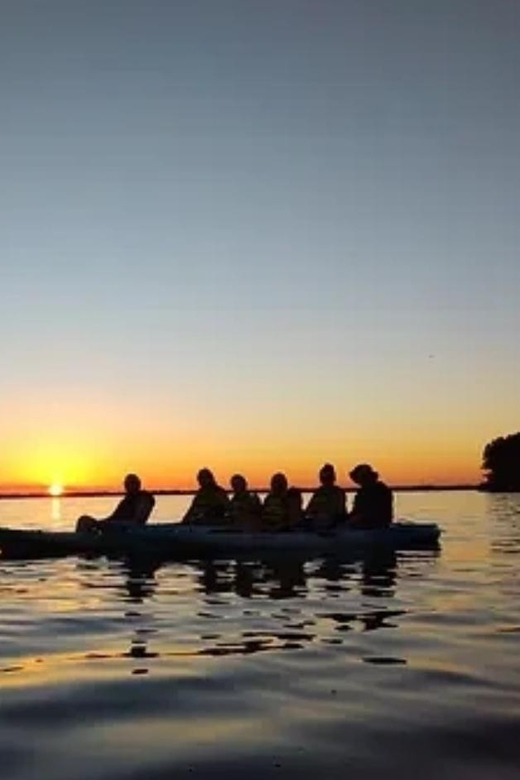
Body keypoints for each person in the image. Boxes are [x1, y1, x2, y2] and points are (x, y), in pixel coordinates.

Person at [76, 474, 155, 533]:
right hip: (117, 527)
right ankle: (83, 539)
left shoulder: (144, 498)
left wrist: (104, 524)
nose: (127, 486)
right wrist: (100, 523)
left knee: (86, 521)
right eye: (126, 484)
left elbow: (138, 521)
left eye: (131, 483)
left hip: (128, 529)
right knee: (84, 520)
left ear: (138, 484)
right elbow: (114, 517)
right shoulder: (126, 501)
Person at [348, 464, 393, 529]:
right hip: (378, 524)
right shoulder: (381, 489)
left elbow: (367, 512)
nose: (358, 482)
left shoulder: (377, 491)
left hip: (372, 525)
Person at [305, 463, 347, 528]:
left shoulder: (338, 492)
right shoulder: (318, 492)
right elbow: (309, 510)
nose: (326, 480)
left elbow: (340, 511)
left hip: (334, 524)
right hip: (317, 523)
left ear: (333, 478)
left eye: (328, 477)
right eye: (324, 477)